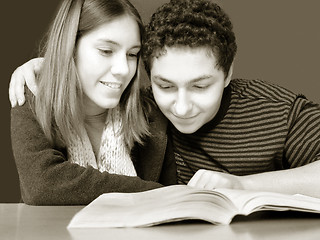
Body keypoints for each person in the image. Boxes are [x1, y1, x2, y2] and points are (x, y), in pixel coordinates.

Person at [10, 0, 320, 198]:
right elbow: (43, 182)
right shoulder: (148, 112)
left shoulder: (276, 111)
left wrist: (243, 185)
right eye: (166, 86)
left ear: (228, 74)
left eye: (200, 86)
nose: (181, 108)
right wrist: (47, 67)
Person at [9, 0, 176, 205]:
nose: (123, 69)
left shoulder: (151, 114)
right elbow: (43, 186)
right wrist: (158, 193)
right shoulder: (33, 98)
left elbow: (176, 201)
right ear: (69, 47)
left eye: (132, 54)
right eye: (106, 51)